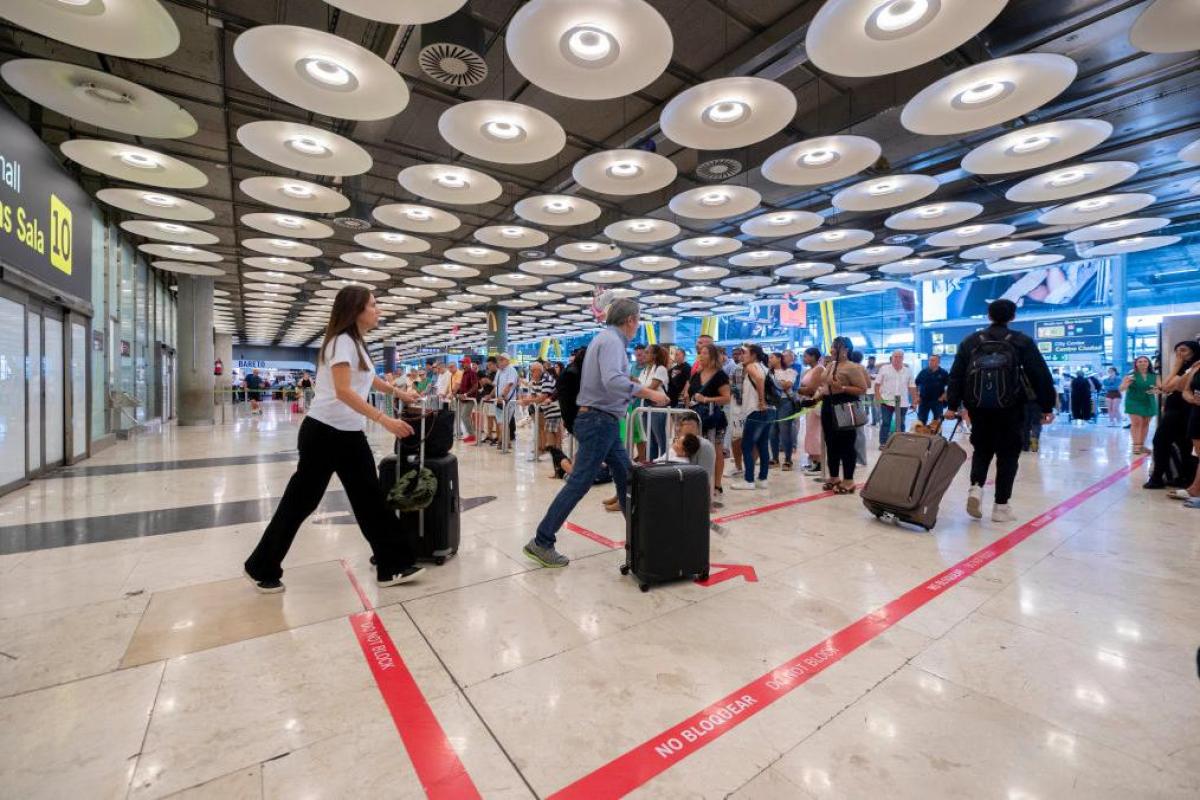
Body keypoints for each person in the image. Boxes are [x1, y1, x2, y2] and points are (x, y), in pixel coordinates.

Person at [243, 287, 423, 593]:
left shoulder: (355, 343)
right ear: (356, 310)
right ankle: (262, 564)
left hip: (342, 433)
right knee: (307, 502)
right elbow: (343, 390)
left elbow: (367, 379)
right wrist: (384, 420)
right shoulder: (342, 341)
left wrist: (399, 392)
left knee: (366, 498)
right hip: (328, 434)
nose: (378, 310)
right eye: (373, 305)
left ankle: (390, 560)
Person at [525, 299, 668, 568]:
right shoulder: (612, 342)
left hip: (602, 420)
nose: (638, 326)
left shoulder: (605, 340)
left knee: (627, 478)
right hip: (599, 420)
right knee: (579, 482)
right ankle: (542, 540)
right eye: (638, 320)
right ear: (629, 320)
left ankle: (641, 538)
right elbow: (613, 381)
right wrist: (651, 394)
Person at [945, 299, 1056, 523]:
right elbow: (1040, 374)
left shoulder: (971, 341)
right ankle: (1001, 507)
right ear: (1012, 317)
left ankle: (976, 488)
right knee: (1008, 455)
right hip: (1012, 407)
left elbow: (956, 375)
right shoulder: (1021, 341)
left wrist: (952, 406)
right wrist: (1046, 406)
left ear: (988, 316)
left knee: (982, 449)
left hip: (979, 407)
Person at [818, 337, 870, 493]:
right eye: (832, 346)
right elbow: (825, 385)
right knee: (831, 442)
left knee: (846, 444)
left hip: (845, 405)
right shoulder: (831, 365)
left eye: (836, 347)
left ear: (846, 350)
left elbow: (862, 389)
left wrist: (843, 388)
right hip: (828, 405)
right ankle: (834, 477)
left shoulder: (852, 367)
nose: (832, 350)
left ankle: (848, 480)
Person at [1145, 341, 1200, 489]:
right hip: (1175, 410)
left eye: (1183, 350)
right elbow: (1166, 388)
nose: (1179, 354)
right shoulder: (1185, 368)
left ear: (1194, 351)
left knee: (1163, 441)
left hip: (1183, 412)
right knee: (1182, 445)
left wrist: (1176, 367)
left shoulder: (1193, 368)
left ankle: (1158, 477)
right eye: (1177, 351)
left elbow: (1167, 386)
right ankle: (1183, 477)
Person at [730, 344, 777, 490]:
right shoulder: (765, 367)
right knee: (762, 445)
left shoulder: (751, 367)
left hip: (757, 410)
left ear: (753, 355)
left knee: (747, 445)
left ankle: (749, 480)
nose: (741, 355)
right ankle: (762, 479)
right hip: (770, 410)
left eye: (744, 353)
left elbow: (760, 380)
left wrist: (761, 401)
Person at [688, 343, 731, 496]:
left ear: (712, 356)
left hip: (714, 419)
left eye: (705, 353)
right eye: (700, 353)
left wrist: (706, 399)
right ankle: (699, 482)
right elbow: (689, 394)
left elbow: (726, 398)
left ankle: (717, 484)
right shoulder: (696, 375)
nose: (701, 355)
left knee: (716, 450)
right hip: (696, 419)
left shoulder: (720, 375)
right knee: (696, 449)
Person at [874, 349, 918, 447]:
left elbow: (912, 386)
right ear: (892, 358)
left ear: (903, 358)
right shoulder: (884, 369)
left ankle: (900, 443)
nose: (897, 359)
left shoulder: (908, 371)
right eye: (895, 357)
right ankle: (883, 443)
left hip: (902, 401)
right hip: (886, 400)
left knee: (900, 423)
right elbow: (877, 384)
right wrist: (878, 397)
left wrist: (915, 401)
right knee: (886, 422)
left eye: (900, 357)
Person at [797, 347, 826, 475]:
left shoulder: (819, 369)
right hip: (810, 405)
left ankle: (819, 463)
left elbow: (811, 389)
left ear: (814, 356)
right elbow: (805, 387)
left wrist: (798, 389)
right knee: (811, 432)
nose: (804, 359)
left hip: (816, 404)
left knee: (815, 433)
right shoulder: (810, 370)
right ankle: (814, 461)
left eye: (806, 356)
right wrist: (802, 389)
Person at [1121, 355, 1157, 454]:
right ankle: (1135, 446)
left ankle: (1141, 445)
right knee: (1136, 423)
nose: (1142, 363)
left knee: (1145, 424)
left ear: (1149, 363)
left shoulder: (1155, 376)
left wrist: (1155, 390)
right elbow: (1121, 388)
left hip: (1148, 401)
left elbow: (1159, 388)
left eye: (1145, 361)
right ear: (1136, 364)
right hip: (1134, 401)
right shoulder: (1130, 375)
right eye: (1140, 361)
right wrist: (1126, 384)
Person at [769, 352, 798, 470]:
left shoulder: (790, 371)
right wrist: (779, 383)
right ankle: (775, 458)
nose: (769, 359)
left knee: (785, 431)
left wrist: (774, 382)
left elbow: (787, 385)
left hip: (785, 402)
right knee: (772, 432)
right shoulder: (767, 372)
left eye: (772, 357)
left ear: (779, 359)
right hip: (771, 404)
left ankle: (788, 460)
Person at [640, 345, 670, 461]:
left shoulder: (660, 369)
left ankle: (664, 463)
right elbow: (640, 387)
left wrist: (636, 389)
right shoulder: (644, 370)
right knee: (650, 439)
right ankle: (652, 464)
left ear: (654, 355)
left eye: (647, 352)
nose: (644, 354)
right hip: (645, 405)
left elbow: (652, 387)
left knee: (659, 437)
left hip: (657, 405)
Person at [1178, 360, 1200, 507]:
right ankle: (1195, 489)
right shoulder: (1197, 366)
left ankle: (1195, 489)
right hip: (1197, 413)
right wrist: (1191, 398)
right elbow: (1183, 389)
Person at [914, 354, 949, 425]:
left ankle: (937, 436)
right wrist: (917, 396)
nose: (930, 362)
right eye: (929, 360)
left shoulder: (943, 373)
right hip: (924, 400)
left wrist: (944, 396)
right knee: (921, 420)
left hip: (937, 401)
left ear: (938, 362)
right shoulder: (923, 372)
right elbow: (915, 384)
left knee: (938, 420)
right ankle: (922, 436)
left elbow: (950, 386)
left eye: (933, 360)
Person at [494, 353, 519, 448]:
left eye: (501, 359)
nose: (499, 362)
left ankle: (503, 442)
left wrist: (502, 396)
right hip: (499, 401)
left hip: (507, 401)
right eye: (499, 360)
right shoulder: (499, 371)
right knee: (501, 422)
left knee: (504, 422)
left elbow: (509, 385)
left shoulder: (511, 370)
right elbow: (496, 385)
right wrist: (490, 395)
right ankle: (505, 442)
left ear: (507, 361)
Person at [865, 355, 880, 425]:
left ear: (874, 361)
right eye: (869, 360)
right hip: (867, 391)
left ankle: (876, 421)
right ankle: (872, 421)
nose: (870, 361)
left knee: (875, 406)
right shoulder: (865, 369)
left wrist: (871, 376)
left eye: (872, 360)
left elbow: (878, 378)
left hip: (875, 391)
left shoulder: (877, 369)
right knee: (870, 407)